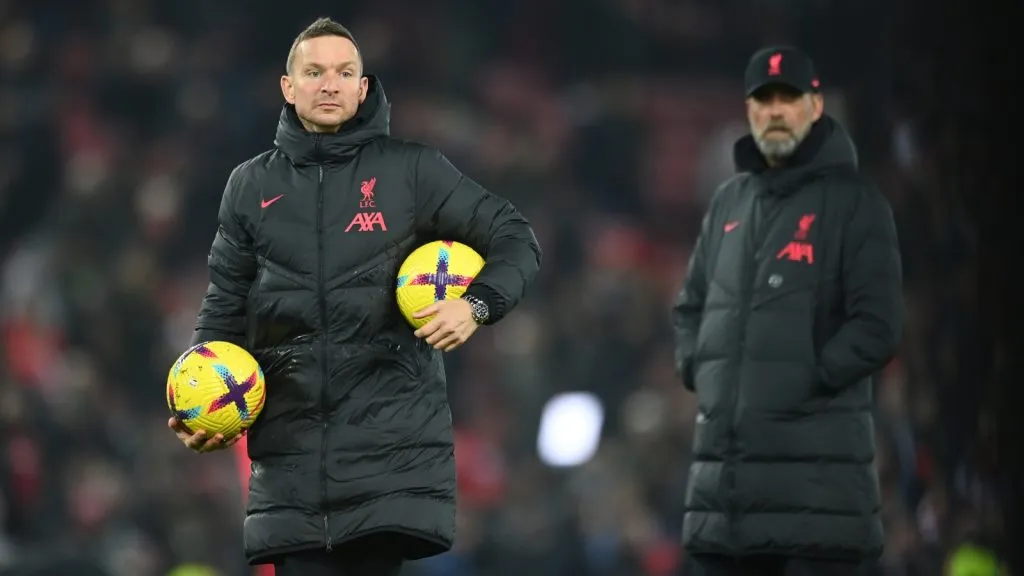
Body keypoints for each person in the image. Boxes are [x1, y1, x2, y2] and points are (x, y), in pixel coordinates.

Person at [167, 17, 541, 576]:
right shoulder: (250, 186)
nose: (330, 84)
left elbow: (515, 238)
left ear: (364, 88)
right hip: (290, 470)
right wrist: (200, 399)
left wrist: (475, 304)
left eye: (345, 72)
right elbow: (224, 308)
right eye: (313, 71)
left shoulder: (413, 172)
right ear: (288, 88)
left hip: (388, 468)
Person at [672, 46, 904, 576]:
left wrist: (807, 378)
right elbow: (689, 308)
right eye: (763, 99)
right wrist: (699, 371)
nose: (775, 110)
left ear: (815, 107)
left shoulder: (856, 204)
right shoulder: (728, 204)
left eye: (788, 98)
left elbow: (878, 324)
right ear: (749, 111)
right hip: (724, 505)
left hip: (817, 508)